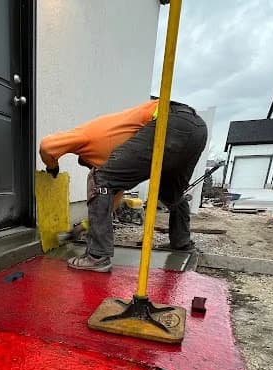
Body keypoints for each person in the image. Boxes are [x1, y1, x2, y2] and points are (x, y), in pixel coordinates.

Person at [39, 99, 207, 272]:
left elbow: (47, 145)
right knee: (171, 193)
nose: (92, 169)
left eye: (90, 165)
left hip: (170, 120)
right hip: (197, 129)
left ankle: (97, 257)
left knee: (101, 178)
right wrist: (81, 228)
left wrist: (52, 167)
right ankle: (182, 243)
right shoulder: (114, 148)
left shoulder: (87, 135)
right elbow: (110, 204)